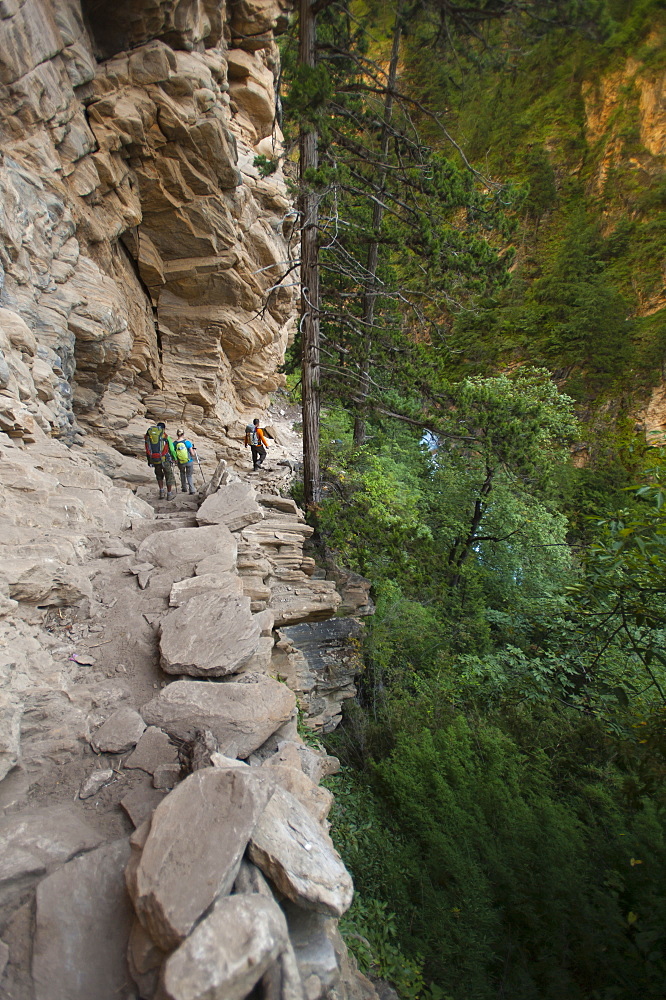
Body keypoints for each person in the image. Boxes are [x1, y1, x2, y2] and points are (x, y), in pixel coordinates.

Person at [144, 421, 177, 501]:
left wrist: (150, 460)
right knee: (169, 476)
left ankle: (161, 492)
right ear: (164, 429)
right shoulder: (165, 436)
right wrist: (175, 458)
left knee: (159, 475)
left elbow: (147, 448)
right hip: (165, 459)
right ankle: (169, 494)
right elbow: (172, 449)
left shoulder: (149, 436)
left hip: (155, 460)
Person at [173, 428, 198, 494]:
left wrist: (175, 460)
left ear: (177, 434)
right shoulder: (187, 442)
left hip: (180, 462)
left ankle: (184, 488)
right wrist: (194, 450)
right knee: (189, 475)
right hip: (189, 461)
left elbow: (173, 453)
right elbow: (192, 454)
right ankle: (192, 490)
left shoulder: (174, 444)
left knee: (182, 473)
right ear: (183, 434)